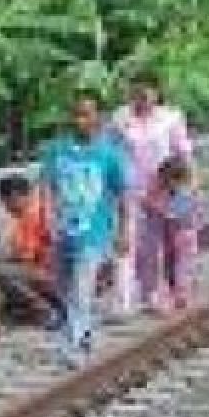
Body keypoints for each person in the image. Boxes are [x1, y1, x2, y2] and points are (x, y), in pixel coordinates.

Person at [40, 94, 128, 367]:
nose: (81, 121)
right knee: (64, 289)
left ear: (99, 117)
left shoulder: (110, 154)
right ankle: (85, 330)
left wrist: (123, 231)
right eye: (76, 114)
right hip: (63, 232)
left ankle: (73, 345)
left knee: (81, 288)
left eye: (87, 114)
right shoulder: (57, 150)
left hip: (94, 233)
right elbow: (46, 187)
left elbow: (122, 195)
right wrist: (47, 221)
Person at [111, 71, 194, 316]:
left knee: (178, 246)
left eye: (147, 92)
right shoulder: (121, 119)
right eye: (136, 92)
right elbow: (113, 153)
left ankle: (180, 288)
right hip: (133, 193)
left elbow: (183, 152)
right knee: (146, 249)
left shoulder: (171, 118)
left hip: (169, 190)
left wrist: (187, 188)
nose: (141, 98)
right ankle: (150, 296)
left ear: (157, 93)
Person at [0, 173, 58, 326]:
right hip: (59, 270)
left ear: (16, 197)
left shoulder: (30, 217)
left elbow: (25, 258)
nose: (6, 208)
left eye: (6, 203)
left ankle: (43, 309)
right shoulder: (42, 208)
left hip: (51, 273)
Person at [153, 157, 199, 311]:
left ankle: (181, 295)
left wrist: (156, 208)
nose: (162, 184)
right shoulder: (179, 193)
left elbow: (174, 214)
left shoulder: (184, 194)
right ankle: (177, 292)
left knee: (181, 265)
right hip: (175, 236)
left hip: (183, 236)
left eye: (165, 180)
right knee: (173, 264)